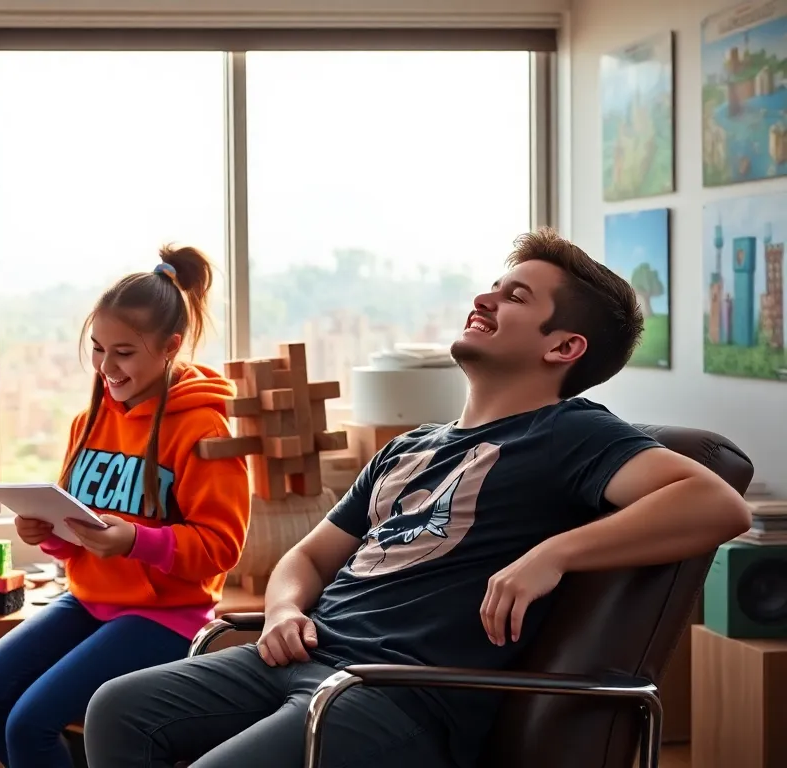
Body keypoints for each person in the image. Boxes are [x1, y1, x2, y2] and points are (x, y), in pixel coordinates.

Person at [83, 229, 752, 768]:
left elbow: (719, 505)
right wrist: (285, 608)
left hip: (391, 694)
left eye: (515, 296)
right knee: (116, 708)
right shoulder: (411, 447)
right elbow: (309, 557)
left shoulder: (569, 433)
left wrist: (555, 552)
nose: (486, 299)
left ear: (564, 347)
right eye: (494, 285)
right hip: (302, 655)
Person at [0, 246, 252, 768]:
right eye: (97, 349)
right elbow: (77, 524)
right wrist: (44, 531)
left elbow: (221, 548)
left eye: (123, 352)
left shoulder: (204, 429)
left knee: (30, 724)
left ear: (170, 348)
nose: (105, 367)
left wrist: (135, 540)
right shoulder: (89, 421)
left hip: (169, 617)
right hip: (92, 599)